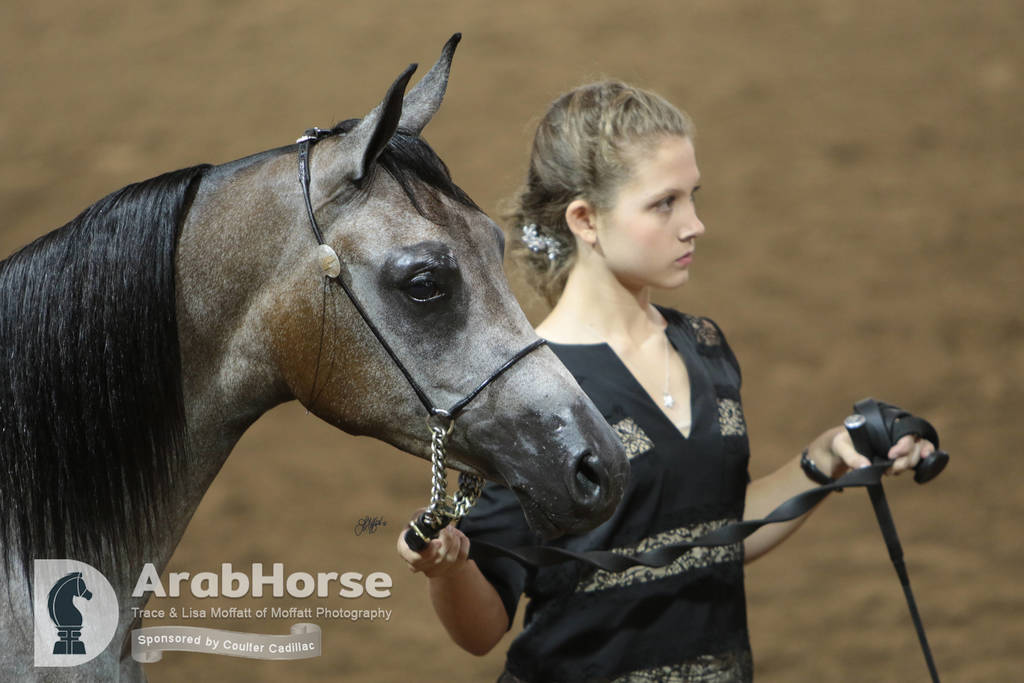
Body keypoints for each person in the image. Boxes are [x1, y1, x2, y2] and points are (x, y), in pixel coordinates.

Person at [396, 81, 935, 683]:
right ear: (585, 219)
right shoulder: (527, 390)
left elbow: (715, 535)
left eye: (693, 197)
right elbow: (481, 628)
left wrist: (829, 455)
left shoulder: (704, 345)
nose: (695, 224)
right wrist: (448, 570)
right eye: (665, 203)